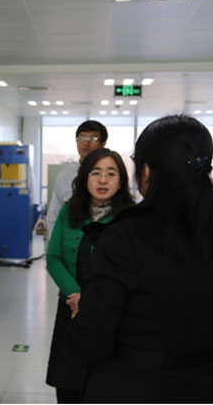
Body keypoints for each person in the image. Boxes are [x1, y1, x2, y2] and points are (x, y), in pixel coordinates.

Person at [69, 115, 213, 403]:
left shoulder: (124, 239)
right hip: (209, 388)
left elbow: (91, 341)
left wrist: (82, 313)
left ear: (147, 170)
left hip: (132, 388)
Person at [45, 148, 134, 403]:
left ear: (121, 181)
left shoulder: (130, 218)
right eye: (95, 173)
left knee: (105, 386)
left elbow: (132, 269)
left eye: (111, 173)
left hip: (113, 314)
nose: (103, 180)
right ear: (84, 178)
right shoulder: (69, 212)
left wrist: (93, 301)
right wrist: (76, 295)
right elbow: (53, 258)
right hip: (72, 309)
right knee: (68, 384)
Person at [46, 120, 108, 237]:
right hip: (71, 242)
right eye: (81, 138)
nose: (86, 142)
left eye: (93, 138)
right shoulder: (65, 177)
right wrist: (57, 244)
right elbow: (53, 217)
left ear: (103, 143)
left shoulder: (110, 176)